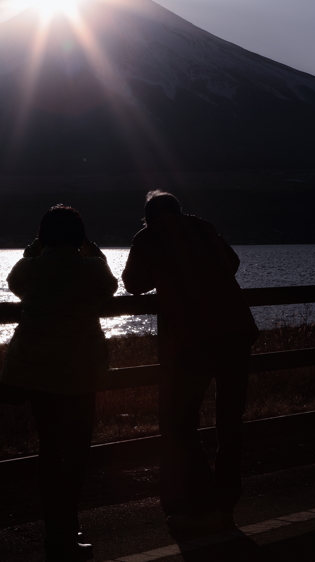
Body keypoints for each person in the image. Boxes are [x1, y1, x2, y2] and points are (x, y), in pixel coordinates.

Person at [121, 190, 259, 540]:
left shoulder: (149, 236)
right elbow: (232, 263)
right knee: (229, 421)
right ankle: (226, 505)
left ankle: (203, 508)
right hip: (237, 331)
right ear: (179, 211)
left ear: (148, 216)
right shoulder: (204, 228)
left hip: (194, 337)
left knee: (181, 425)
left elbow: (134, 284)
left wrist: (166, 277)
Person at [0, 205, 118, 562]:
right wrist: (92, 250)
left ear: (42, 236)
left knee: (49, 449)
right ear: (79, 237)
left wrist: (33, 250)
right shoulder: (91, 268)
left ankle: (57, 529)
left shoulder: (31, 269)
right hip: (81, 371)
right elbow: (110, 287)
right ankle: (66, 527)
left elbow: (14, 283)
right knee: (77, 452)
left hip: (37, 370)